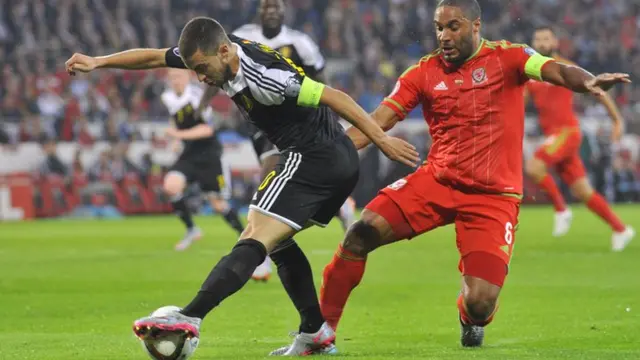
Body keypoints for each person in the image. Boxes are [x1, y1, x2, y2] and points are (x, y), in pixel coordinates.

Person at [65, 16, 419, 355]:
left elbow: (334, 97)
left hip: (316, 157)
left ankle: (191, 315)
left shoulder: (264, 77)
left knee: (254, 233)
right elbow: (155, 57)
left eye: (202, 69)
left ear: (223, 52)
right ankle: (315, 332)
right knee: (276, 242)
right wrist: (98, 62)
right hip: (320, 156)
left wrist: (381, 140)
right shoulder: (214, 53)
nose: (201, 79)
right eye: (194, 70)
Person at [315, 0, 632, 350]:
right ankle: (319, 333)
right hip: (437, 181)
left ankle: (469, 317)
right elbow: (378, 120)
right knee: (360, 233)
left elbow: (553, 69)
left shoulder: (508, 57)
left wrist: (587, 81)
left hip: (493, 197)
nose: (444, 36)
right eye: (439, 27)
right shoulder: (422, 72)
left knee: (480, 303)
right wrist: (331, 155)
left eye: (454, 26)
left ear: (476, 26)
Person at [230, 0, 357, 280]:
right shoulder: (242, 37)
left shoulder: (300, 42)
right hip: (261, 121)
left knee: (269, 176)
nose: (271, 10)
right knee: (278, 180)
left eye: (276, 6)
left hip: (296, 123)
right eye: (266, 6)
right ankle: (340, 208)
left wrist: (331, 115)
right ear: (259, 11)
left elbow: (321, 80)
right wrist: (206, 105)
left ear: (284, 12)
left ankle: (257, 253)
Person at [524, 26, 634, 250]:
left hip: (567, 132)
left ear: (554, 41)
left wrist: (617, 120)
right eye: (538, 39)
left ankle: (561, 210)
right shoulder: (532, 74)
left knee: (534, 167)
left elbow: (597, 89)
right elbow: (519, 103)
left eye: (546, 38)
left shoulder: (566, 68)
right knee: (583, 191)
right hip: (555, 137)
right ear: (534, 43)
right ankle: (621, 229)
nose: (542, 43)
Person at [161, 68, 245, 251]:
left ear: (188, 77)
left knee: (217, 204)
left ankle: (245, 235)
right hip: (190, 153)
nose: (176, 80)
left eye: (179, 76)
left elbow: (207, 130)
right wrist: (176, 140)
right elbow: (175, 120)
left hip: (209, 155)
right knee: (171, 185)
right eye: (172, 77)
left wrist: (177, 134)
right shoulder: (167, 97)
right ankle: (192, 229)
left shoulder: (197, 97)